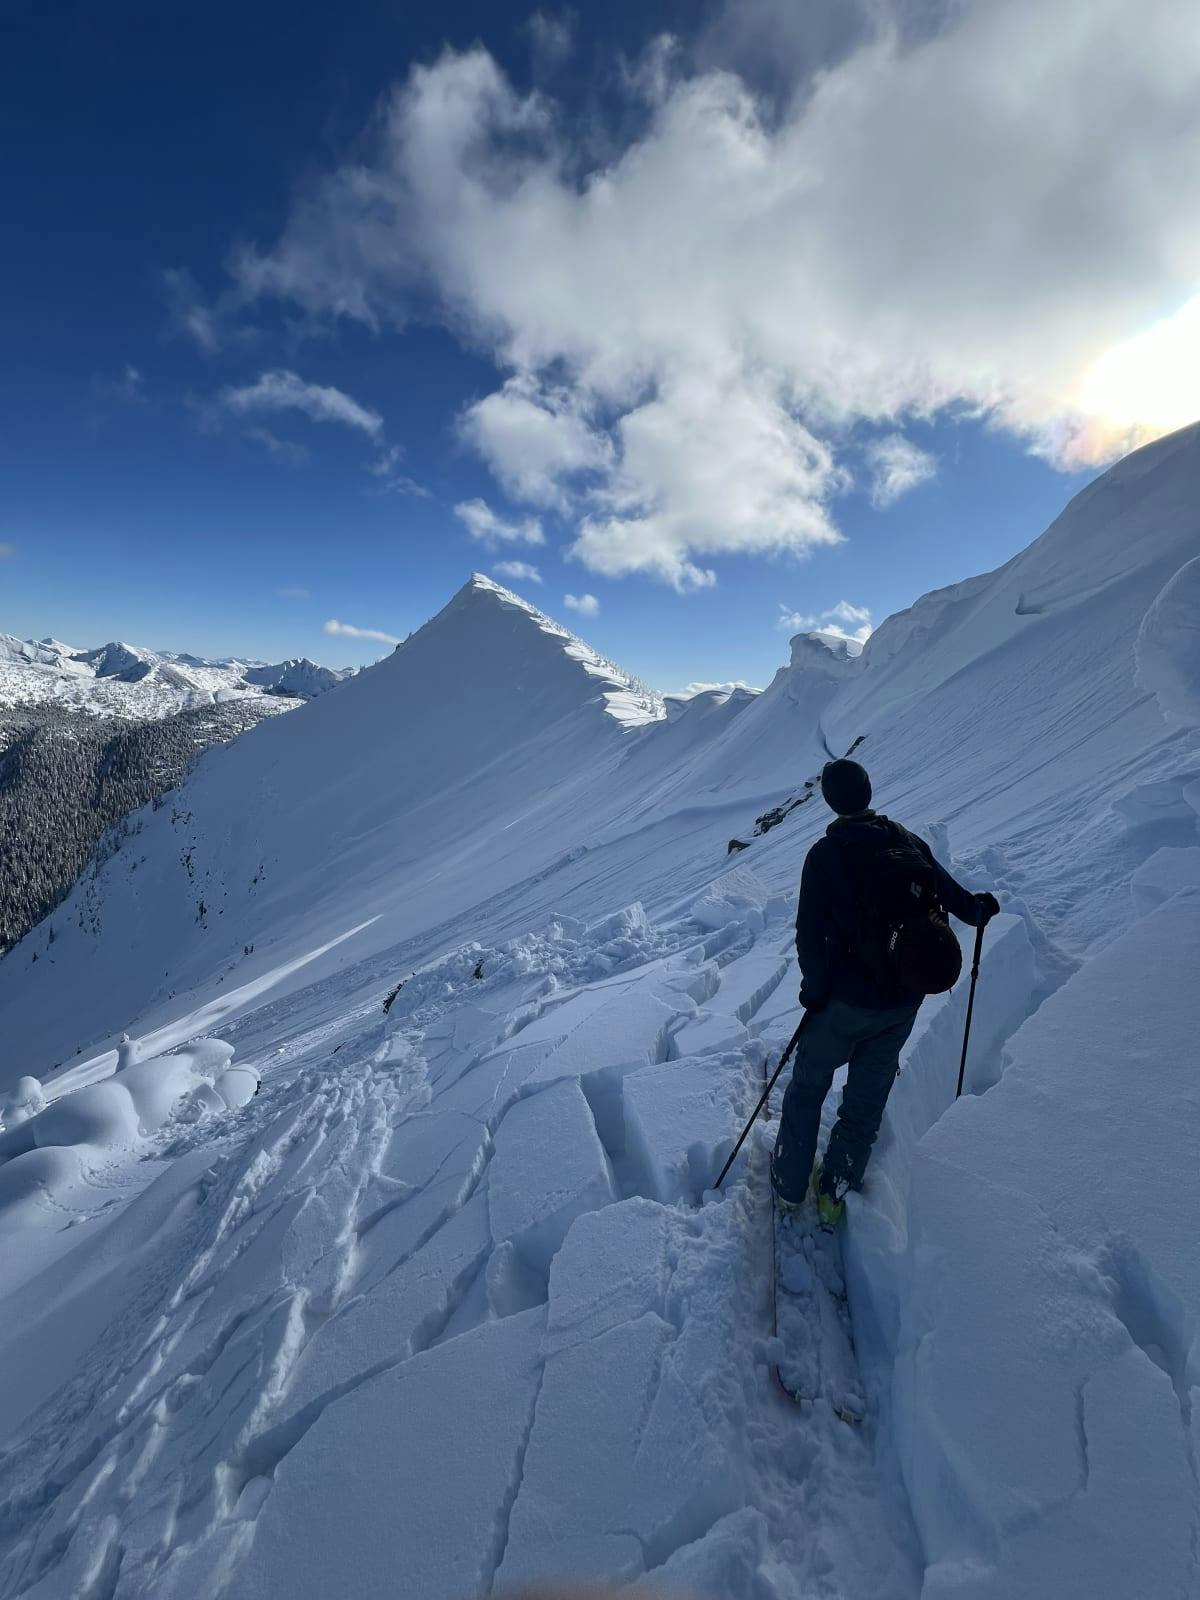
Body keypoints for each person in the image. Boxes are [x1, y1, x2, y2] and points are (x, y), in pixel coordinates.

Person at [771, 758, 999, 1226]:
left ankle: (789, 1186)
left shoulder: (825, 855)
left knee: (809, 1085)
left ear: (831, 802)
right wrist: (979, 911)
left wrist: (814, 990)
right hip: (901, 1001)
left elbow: (809, 934)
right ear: (870, 791)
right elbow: (956, 898)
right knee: (866, 1100)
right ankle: (835, 1194)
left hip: (845, 1003)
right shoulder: (905, 841)